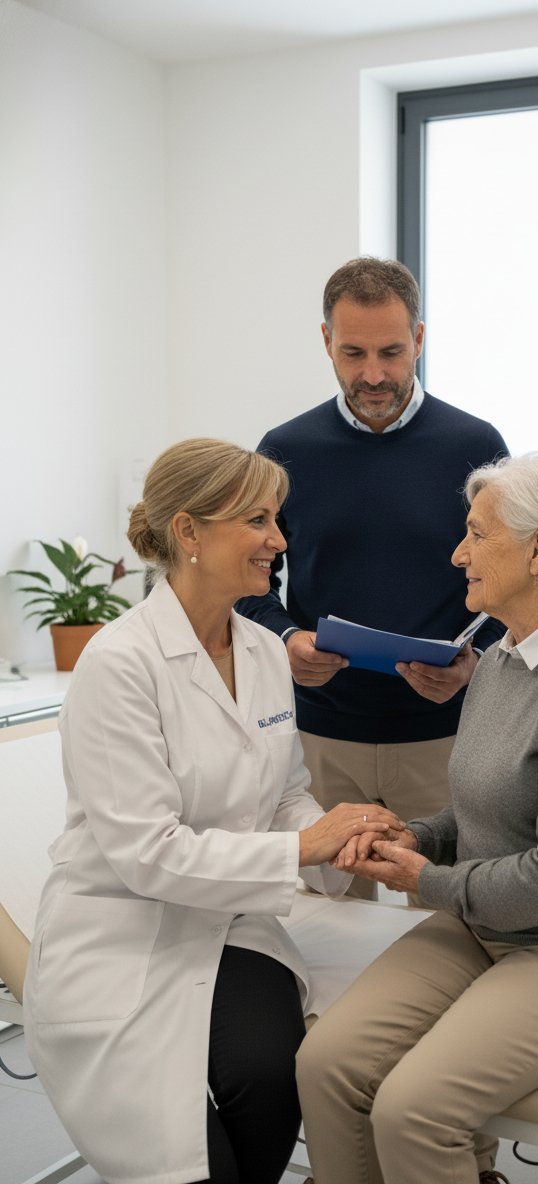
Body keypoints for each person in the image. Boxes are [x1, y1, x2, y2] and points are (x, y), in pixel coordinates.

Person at [22, 438, 403, 1184]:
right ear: (189, 533)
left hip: (230, 924)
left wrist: (340, 839)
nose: (279, 541)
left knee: (269, 1079)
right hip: (120, 935)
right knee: (183, 1164)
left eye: (277, 519)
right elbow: (148, 855)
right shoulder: (118, 664)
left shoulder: (262, 651)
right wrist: (304, 850)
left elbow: (286, 792)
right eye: (257, 520)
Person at [297, 451, 538, 1184]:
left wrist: (424, 879)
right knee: (326, 1066)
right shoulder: (502, 655)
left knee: (415, 1108)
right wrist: (417, 835)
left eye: (477, 534)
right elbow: (480, 813)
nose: (457, 553)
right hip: (487, 926)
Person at [237, 257, 508, 899]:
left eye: (391, 351)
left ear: (419, 337)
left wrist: (474, 665)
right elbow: (250, 581)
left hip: (446, 738)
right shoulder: (283, 449)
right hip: (320, 739)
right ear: (326, 340)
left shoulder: (475, 443)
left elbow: (515, 583)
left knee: (447, 925)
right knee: (324, 923)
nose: (373, 374)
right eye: (353, 352)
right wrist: (284, 640)